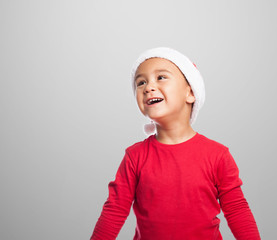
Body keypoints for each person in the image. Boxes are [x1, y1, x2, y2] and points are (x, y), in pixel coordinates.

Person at [90, 47, 261, 239]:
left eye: (161, 77)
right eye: (141, 82)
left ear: (190, 93)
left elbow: (237, 210)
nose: (148, 87)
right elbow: (114, 210)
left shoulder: (218, 155)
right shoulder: (134, 156)